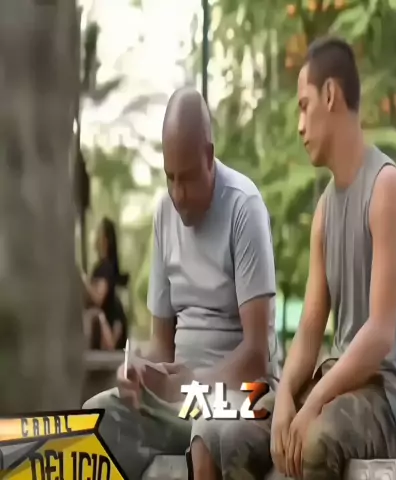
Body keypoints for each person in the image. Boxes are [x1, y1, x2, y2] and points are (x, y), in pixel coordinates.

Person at [83, 87, 280, 480]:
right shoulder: (163, 214)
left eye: (187, 179)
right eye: (169, 178)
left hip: (247, 396)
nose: (178, 194)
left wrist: (191, 384)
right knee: (96, 418)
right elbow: (162, 345)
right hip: (182, 401)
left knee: (207, 428)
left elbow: (257, 354)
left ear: (209, 156)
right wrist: (141, 372)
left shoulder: (244, 207)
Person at [270, 36, 396, 479]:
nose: (300, 126)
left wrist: (313, 402)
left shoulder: (385, 186)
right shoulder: (324, 212)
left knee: (315, 441)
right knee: (248, 425)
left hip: (382, 391)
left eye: (304, 106)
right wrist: (285, 397)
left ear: (331, 95)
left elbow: (379, 335)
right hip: (335, 381)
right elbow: (310, 329)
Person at [83, 217, 128, 351]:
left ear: (105, 240)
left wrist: (83, 280)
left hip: (109, 331)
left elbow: (98, 299)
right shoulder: (102, 267)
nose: (95, 237)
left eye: (98, 233)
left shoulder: (105, 267)